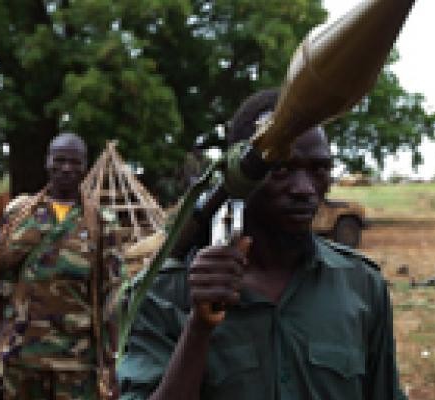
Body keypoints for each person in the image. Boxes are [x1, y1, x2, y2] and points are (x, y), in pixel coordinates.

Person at [117, 89, 405, 400]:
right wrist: (199, 328)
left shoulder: (361, 285)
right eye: (281, 169)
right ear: (239, 175)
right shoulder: (166, 295)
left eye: (319, 169)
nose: (305, 189)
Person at [0, 133, 122, 400]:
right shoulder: (20, 215)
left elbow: (110, 300)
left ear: (85, 166)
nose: (67, 168)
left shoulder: (101, 224)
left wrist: (112, 366)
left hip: (76, 364)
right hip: (20, 358)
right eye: (60, 160)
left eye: (75, 162)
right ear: (47, 162)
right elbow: (1, 290)